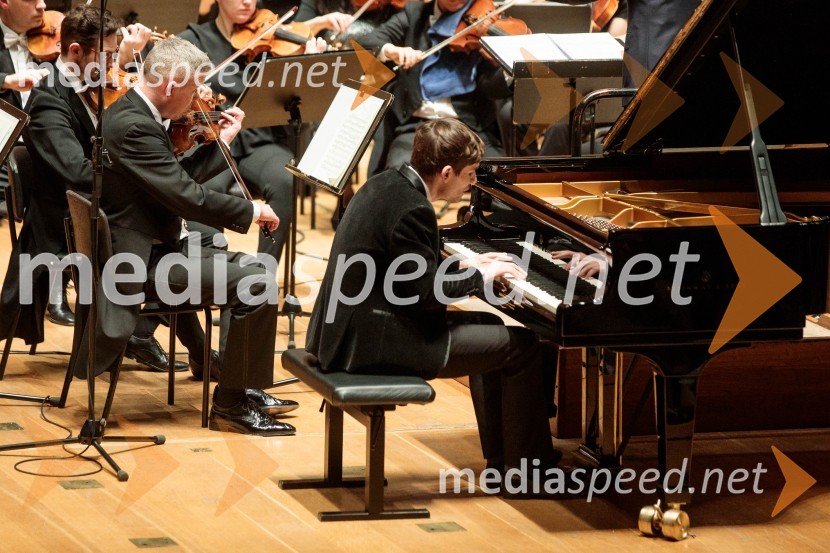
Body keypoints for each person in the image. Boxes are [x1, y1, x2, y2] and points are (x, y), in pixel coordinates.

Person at [307, 118, 562, 475]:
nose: (472, 183)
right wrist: (479, 274)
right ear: (446, 172)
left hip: (345, 330)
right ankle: (529, 473)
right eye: (470, 174)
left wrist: (469, 262)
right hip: (371, 342)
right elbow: (428, 294)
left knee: (491, 326)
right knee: (520, 347)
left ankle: (503, 462)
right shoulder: (414, 208)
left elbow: (405, 270)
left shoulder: (386, 183)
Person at [96, 36, 296, 435]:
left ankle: (243, 386)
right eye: (193, 90)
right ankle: (231, 405)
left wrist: (220, 142)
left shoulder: (140, 114)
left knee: (254, 274)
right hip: (135, 265)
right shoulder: (133, 126)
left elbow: (174, 180)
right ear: (170, 85)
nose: (198, 101)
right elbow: (186, 197)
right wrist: (252, 210)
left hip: (153, 244)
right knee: (255, 283)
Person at [0, 6, 194, 374]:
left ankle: (155, 337)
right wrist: (139, 173)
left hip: (105, 208)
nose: (113, 63)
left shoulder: (100, 89)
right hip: (67, 221)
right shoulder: (47, 98)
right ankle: (148, 336)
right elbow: (77, 172)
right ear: (75, 52)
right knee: (163, 233)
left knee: (174, 230)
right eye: (105, 55)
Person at [178, 0, 326, 264]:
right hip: (213, 142)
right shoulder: (193, 40)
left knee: (284, 179)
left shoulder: (267, 43)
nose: (248, 2)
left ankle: (263, 281)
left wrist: (307, 63)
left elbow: (289, 98)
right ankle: (221, 282)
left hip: (258, 139)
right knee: (206, 192)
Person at [358, 0, 512, 174]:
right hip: (418, 129)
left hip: (469, 128)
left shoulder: (486, 16)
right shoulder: (415, 13)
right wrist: (391, 50)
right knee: (399, 178)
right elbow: (367, 41)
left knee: (500, 178)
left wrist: (508, 68)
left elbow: (491, 88)